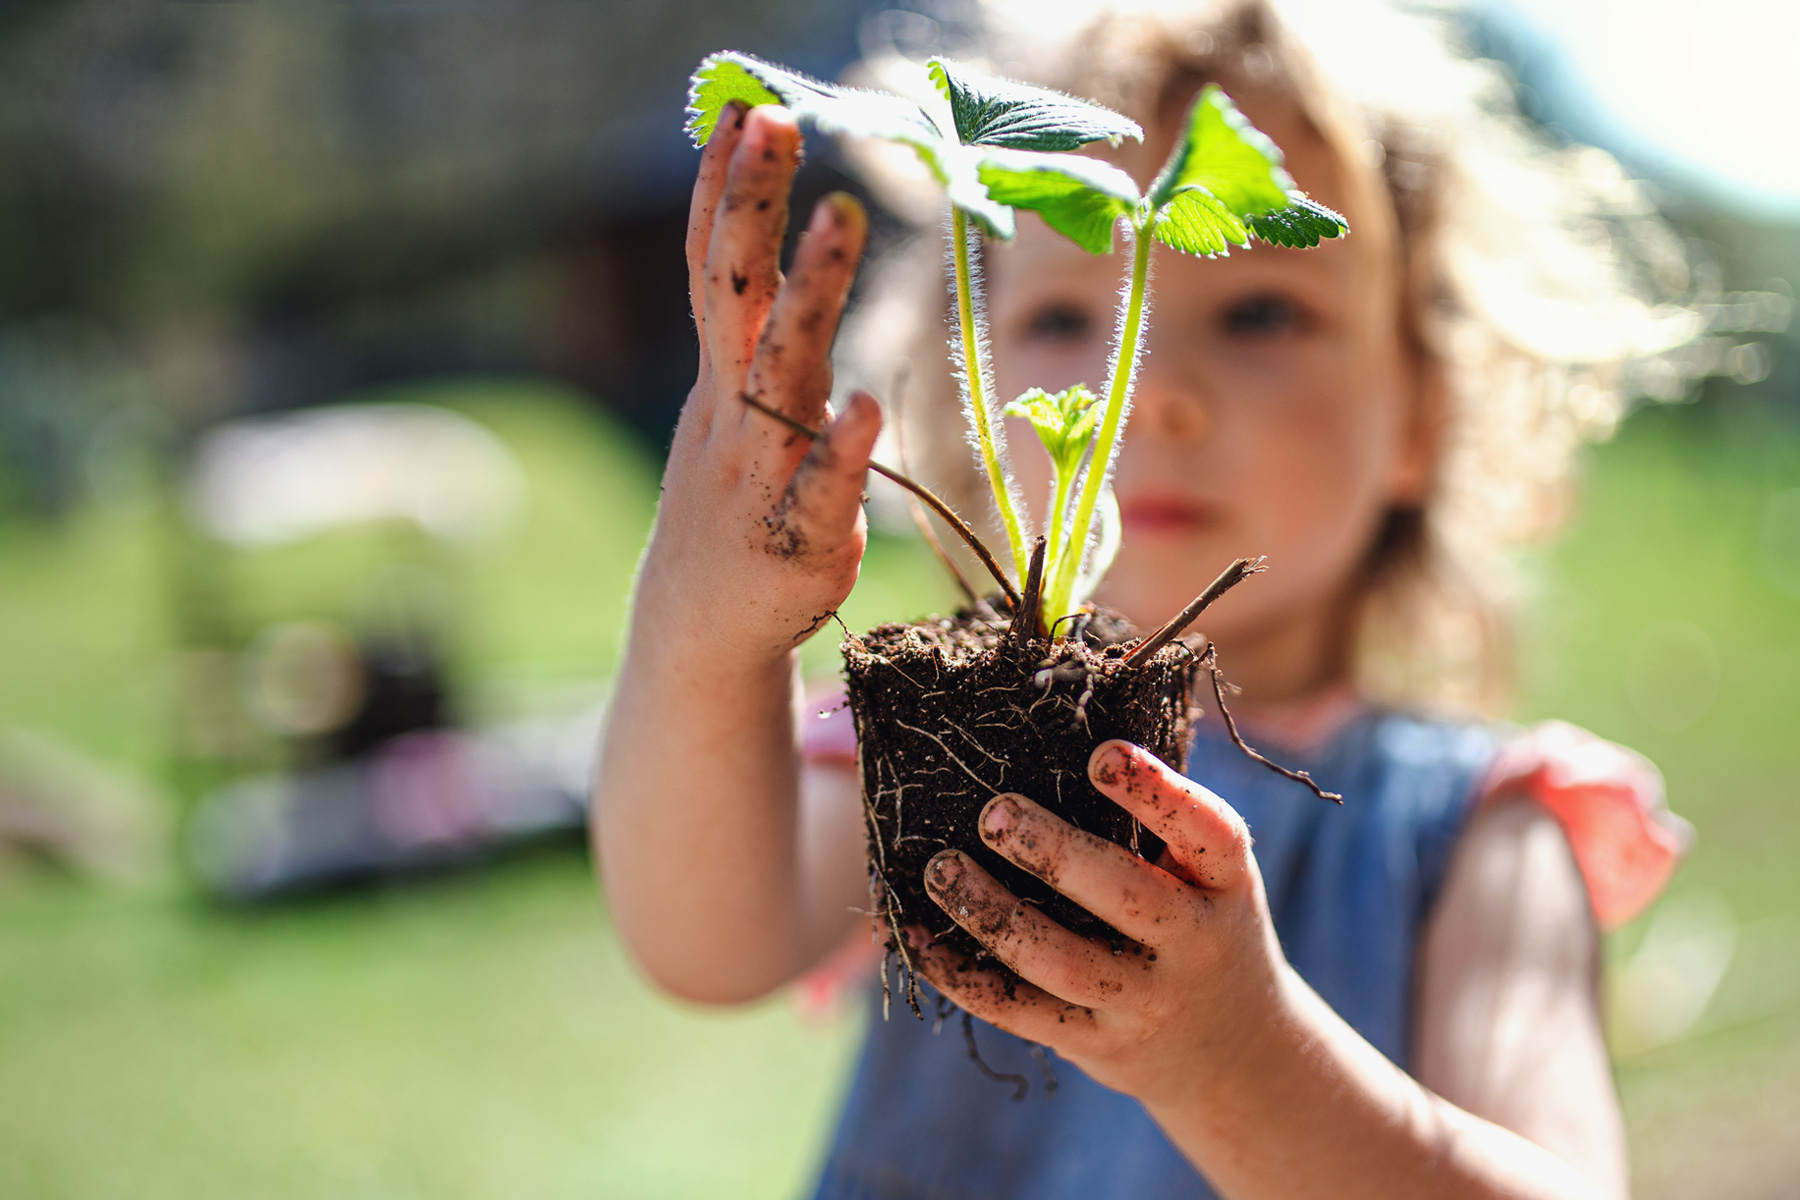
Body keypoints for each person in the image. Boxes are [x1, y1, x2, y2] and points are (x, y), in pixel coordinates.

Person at [594, 2, 1693, 1195]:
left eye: (1260, 310)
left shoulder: (1484, 829)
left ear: (1425, 411)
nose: (1153, 392)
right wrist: (706, 636)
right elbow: (702, 939)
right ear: (966, 380)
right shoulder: (918, 737)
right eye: (1065, 316)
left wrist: (1233, 1061)